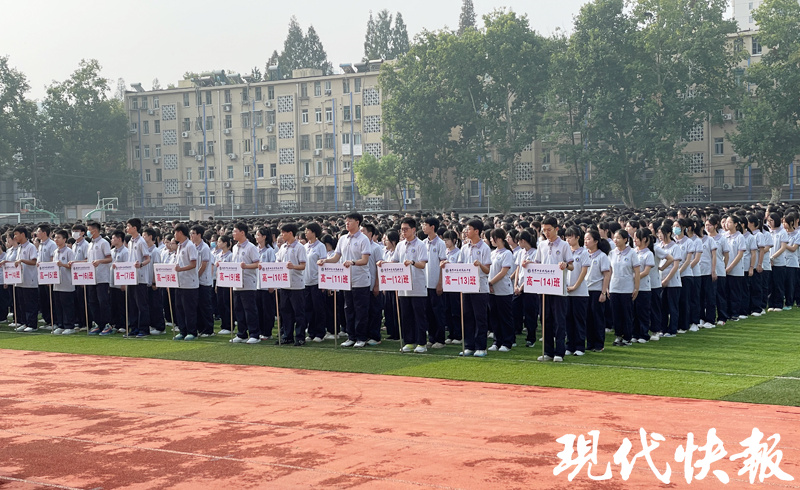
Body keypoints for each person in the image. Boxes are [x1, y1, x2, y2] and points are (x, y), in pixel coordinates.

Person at [318, 212, 371, 348]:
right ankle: (351, 336)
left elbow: (365, 260)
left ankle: (361, 338)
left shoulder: (363, 239)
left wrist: (352, 262)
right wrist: (325, 261)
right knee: (348, 309)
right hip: (346, 280)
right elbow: (336, 257)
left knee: (360, 310)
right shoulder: (342, 239)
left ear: (357, 222)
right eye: (346, 221)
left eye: (350, 221)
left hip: (360, 280)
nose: (347, 223)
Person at [385, 217, 428, 353]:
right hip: (403, 285)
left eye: (406, 229)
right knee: (406, 315)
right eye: (402, 229)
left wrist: (412, 262)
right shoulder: (400, 245)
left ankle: (421, 343)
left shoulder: (420, 245)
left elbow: (422, 264)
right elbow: (394, 261)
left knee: (419, 316)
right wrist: (384, 264)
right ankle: (409, 341)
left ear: (413, 230)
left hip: (417, 285)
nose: (403, 232)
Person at [449, 218, 491, 357]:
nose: (466, 231)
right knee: (467, 317)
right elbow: (459, 266)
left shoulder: (484, 248)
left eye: (469, 229)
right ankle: (469, 345)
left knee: (480, 318)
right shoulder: (464, 247)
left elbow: (487, 270)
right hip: (466, 287)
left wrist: (480, 265)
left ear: (476, 231)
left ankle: (481, 347)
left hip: (480, 288)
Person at [275, 222, 307, 346]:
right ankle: (287, 335)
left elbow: (303, 265)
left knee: (298, 312)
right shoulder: (283, 247)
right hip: (284, 284)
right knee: (285, 312)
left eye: (283, 233)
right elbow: (277, 263)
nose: (282, 235)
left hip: (296, 285)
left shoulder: (299, 247)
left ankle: (300, 337)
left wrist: (293, 266)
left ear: (290, 233)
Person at [230, 222, 261, 344]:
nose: (233, 233)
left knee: (250, 310)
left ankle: (254, 334)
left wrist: (246, 266)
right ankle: (241, 333)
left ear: (242, 233)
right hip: (236, 283)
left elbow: (257, 263)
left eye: (235, 231)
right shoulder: (234, 247)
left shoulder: (251, 247)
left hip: (248, 283)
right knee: (239, 310)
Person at [609, 230, 640, 346]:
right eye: (614, 238)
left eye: (618, 238)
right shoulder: (612, 253)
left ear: (625, 239)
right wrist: (607, 287)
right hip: (614, 287)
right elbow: (609, 271)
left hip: (627, 288)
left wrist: (636, 288)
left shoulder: (632, 253)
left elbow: (637, 271)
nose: (615, 240)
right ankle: (618, 335)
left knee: (627, 313)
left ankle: (627, 337)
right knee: (616, 313)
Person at [487, 228, 515, 352]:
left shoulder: (507, 253)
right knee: (494, 316)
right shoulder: (493, 253)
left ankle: (507, 342)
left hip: (503, 290)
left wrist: (491, 282)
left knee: (505, 317)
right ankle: (497, 341)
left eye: (492, 238)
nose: (490, 240)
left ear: (498, 238)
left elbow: (503, 272)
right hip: (492, 290)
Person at [422, 217, 447, 348]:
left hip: (435, 282)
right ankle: (431, 338)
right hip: (425, 283)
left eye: (425, 225)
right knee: (428, 312)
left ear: (432, 227)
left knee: (438, 312)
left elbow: (443, 264)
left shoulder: (440, 244)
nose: (423, 227)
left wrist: (440, 283)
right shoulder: (423, 243)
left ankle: (440, 339)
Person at [83, 222, 112, 335]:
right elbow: (88, 260)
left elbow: (109, 258)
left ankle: (107, 324)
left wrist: (100, 261)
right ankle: (98, 323)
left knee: (103, 301)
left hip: (102, 277)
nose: (88, 232)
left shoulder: (103, 243)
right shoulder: (90, 244)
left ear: (95, 230)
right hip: (91, 277)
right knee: (92, 301)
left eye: (89, 229)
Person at [564, 226, 589, 355]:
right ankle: (570, 346)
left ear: (578, 237)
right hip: (566, 291)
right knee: (568, 319)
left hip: (580, 292)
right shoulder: (565, 252)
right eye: (566, 237)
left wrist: (575, 286)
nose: (568, 239)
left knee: (579, 320)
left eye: (570, 237)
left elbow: (583, 272)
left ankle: (579, 347)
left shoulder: (583, 252)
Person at [125, 218, 151, 337]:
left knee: (141, 305)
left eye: (128, 226)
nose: (127, 228)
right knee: (132, 305)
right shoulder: (130, 242)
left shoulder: (141, 241)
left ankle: (144, 329)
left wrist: (140, 264)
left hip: (140, 277)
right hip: (131, 277)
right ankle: (134, 328)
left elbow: (148, 258)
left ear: (135, 228)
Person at [172, 223, 198, 341]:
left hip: (189, 283)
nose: (174, 235)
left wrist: (180, 269)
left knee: (189, 309)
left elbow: (193, 264)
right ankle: (183, 331)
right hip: (179, 282)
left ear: (180, 232)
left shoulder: (190, 246)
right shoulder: (179, 246)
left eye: (175, 232)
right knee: (179, 308)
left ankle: (192, 332)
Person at [303, 222, 327, 342]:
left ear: (313, 232)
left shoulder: (320, 246)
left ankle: (320, 333)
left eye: (307, 230)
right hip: (306, 282)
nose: (305, 233)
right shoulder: (304, 247)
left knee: (319, 309)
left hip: (317, 282)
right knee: (308, 309)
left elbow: (323, 265)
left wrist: (323, 283)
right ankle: (311, 332)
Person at [658, 224, 682, 337]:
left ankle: (672, 330)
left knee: (673, 307)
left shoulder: (675, 247)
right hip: (661, 280)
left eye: (661, 233)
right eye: (658, 233)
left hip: (673, 282)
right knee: (663, 307)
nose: (659, 236)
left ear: (668, 233)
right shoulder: (659, 247)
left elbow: (675, 266)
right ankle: (663, 328)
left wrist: (667, 280)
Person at [190, 225, 214, 336]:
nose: (191, 236)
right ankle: (201, 328)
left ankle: (209, 329)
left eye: (193, 233)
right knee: (197, 306)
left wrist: (196, 276)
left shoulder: (204, 248)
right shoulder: (193, 246)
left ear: (199, 235)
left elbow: (203, 265)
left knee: (205, 306)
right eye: (191, 233)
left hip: (204, 281)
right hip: (195, 281)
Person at [633, 229, 655, 342]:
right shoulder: (633, 252)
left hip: (643, 287)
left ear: (644, 239)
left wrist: (634, 277)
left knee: (643, 312)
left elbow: (646, 271)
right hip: (632, 287)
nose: (635, 240)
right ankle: (635, 334)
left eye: (637, 238)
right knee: (634, 312)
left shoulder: (648, 254)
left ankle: (644, 334)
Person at [52, 229, 76, 335]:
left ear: (65, 239)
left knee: (67, 305)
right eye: (55, 237)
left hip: (67, 282)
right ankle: (61, 325)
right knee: (58, 305)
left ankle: (69, 326)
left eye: (59, 237)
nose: (56, 239)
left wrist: (63, 264)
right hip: (57, 283)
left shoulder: (69, 251)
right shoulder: (55, 252)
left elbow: (72, 266)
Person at [255, 227, 277, 340]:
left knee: (267, 310)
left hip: (266, 284)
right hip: (256, 284)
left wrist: (271, 285)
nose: (256, 237)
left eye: (258, 235)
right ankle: (259, 330)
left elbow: (272, 268)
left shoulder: (269, 251)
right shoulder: (255, 249)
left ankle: (267, 332)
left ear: (264, 237)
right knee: (258, 309)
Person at [108, 230, 129, 335]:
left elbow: (127, 267)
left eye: (113, 238)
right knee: (113, 304)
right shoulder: (112, 251)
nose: (112, 240)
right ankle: (115, 323)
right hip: (112, 281)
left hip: (121, 282)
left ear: (119, 239)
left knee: (122, 305)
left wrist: (124, 283)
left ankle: (123, 324)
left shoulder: (125, 252)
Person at [36, 224, 57, 328]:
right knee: (43, 299)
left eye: (39, 231)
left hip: (49, 276)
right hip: (41, 276)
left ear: (44, 233)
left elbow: (53, 260)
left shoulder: (51, 244)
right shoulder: (40, 244)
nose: (37, 233)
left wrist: (50, 278)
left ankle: (54, 321)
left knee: (51, 300)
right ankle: (47, 320)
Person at [70, 224, 90, 329]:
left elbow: (87, 260)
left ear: (82, 233)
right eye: (73, 231)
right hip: (75, 276)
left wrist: (76, 263)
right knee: (77, 300)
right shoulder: (74, 245)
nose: (74, 233)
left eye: (77, 231)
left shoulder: (86, 245)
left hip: (83, 275)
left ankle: (86, 322)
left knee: (84, 301)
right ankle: (79, 321)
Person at [215, 235, 233, 335]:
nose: (218, 243)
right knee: (220, 304)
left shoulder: (230, 255)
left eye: (220, 241)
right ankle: (223, 325)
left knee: (227, 304)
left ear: (225, 243)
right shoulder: (218, 255)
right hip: (220, 282)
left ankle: (229, 326)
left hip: (228, 283)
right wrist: (216, 284)